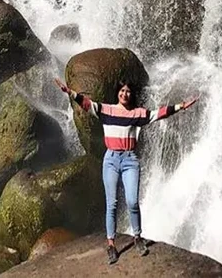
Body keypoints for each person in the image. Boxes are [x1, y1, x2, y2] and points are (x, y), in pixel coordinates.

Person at [54, 77, 199, 265]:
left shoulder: (138, 114)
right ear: (118, 93)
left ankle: (137, 238)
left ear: (131, 95)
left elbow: (159, 113)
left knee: (132, 201)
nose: (124, 94)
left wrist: (181, 106)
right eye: (122, 91)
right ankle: (111, 244)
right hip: (111, 160)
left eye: (128, 91)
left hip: (130, 160)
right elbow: (86, 103)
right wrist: (69, 91)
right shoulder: (106, 110)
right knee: (112, 203)